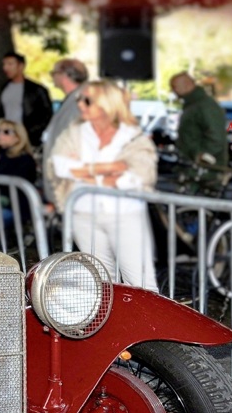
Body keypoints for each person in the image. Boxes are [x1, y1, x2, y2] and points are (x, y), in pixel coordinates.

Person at [48, 80, 158, 290]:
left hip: (125, 216)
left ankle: (147, 323)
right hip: (84, 213)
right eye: (79, 99)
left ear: (107, 103)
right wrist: (109, 169)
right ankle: (115, 322)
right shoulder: (74, 133)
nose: (80, 104)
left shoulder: (131, 136)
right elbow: (60, 166)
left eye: (87, 100)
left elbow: (139, 178)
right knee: (101, 280)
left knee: (141, 283)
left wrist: (84, 171)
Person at [41, 58, 88, 201]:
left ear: (64, 74)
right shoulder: (72, 100)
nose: (52, 77)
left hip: (71, 183)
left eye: (53, 73)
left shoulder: (79, 101)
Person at [0, 51, 53, 149]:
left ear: (21, 66)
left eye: (10, 64)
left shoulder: (37, 90)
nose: (5, 68)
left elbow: (47, 116)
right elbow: (2, 112)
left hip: (28, 139)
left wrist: (28, 131)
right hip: (7, 138)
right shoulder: (5, 88)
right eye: (4, 64)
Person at [169, 72, 228, 167]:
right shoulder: (193, 105)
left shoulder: (205, 106)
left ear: (187, 85)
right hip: (195, 167)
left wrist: (201, 156)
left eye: (174, 87)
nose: (172, 91)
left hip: (205, 170)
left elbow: (216, 136)